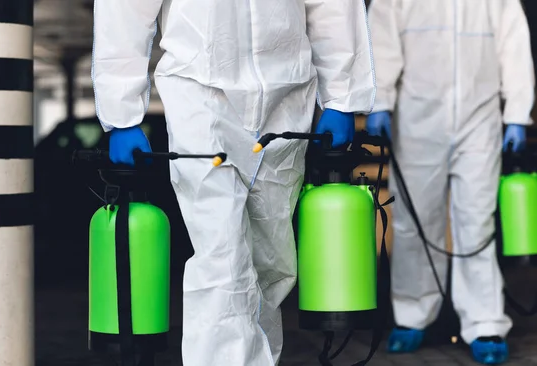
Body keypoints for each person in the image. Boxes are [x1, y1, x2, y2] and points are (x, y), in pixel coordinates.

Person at [91, 1, 376, 365]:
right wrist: (122, 113)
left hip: (287, 93)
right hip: (201, 90)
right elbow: (125, 9)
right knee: (220, 257)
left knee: (272, 266)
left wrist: (342, 96)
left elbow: (332, 5)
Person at [366, 0, 534, 364]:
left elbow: (513, 42)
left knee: (477, 221)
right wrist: (379, 101)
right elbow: (381, 39)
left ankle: (485, 321)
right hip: (417, 118)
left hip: (480, 119)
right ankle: (412, 316)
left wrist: (517, 112)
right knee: (415, 222)